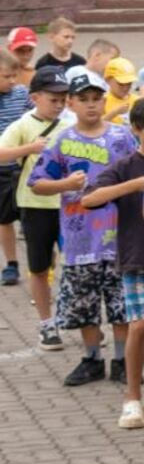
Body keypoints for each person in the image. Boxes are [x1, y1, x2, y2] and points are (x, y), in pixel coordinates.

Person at [28, 70, 137, 387]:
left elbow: (139, 172)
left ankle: (122, 360)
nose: (91, 105)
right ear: (70, 104)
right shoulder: (63, 141)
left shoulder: (122, 137)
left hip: (119, 238)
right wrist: (65, 183)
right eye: (83, 100)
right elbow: (38, 183)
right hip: (79, 240)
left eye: (97, 99)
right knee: (84, 306)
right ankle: (92, 359)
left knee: (121, 305)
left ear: (105, 100)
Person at [82, 96, 144, 429]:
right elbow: (89, 198)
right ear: (136, 130)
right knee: (139, 326)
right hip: (135, 257)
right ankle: (132, 398)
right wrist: (133, 186)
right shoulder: (124, 166)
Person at [0, 69, 70, 348]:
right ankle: (46, 324)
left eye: (63, 99)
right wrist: (30, 147)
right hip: (35, 205)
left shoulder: (69, 125)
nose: (59, 104)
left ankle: (80, 321)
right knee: (40, 267)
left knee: (75, 265)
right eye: (53, 99)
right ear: (35, 98)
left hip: (69, 206)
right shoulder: (22, 125)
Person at [0, 48, 32, 285]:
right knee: (4, 219)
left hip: (22, 166)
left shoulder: (21, 94)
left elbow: (36, 116)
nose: (12, 81)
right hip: (1, 167)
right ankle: (11, 264)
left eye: (14, 76)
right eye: (6, 77)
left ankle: (38, 266)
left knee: (30, 217)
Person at [101, 58, 139, 125]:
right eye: (120, 84)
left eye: (129, 83)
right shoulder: (102, 101)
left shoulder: (137, 101)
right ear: (108, 80)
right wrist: (115, 112)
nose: (125, 88)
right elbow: (94, 126)